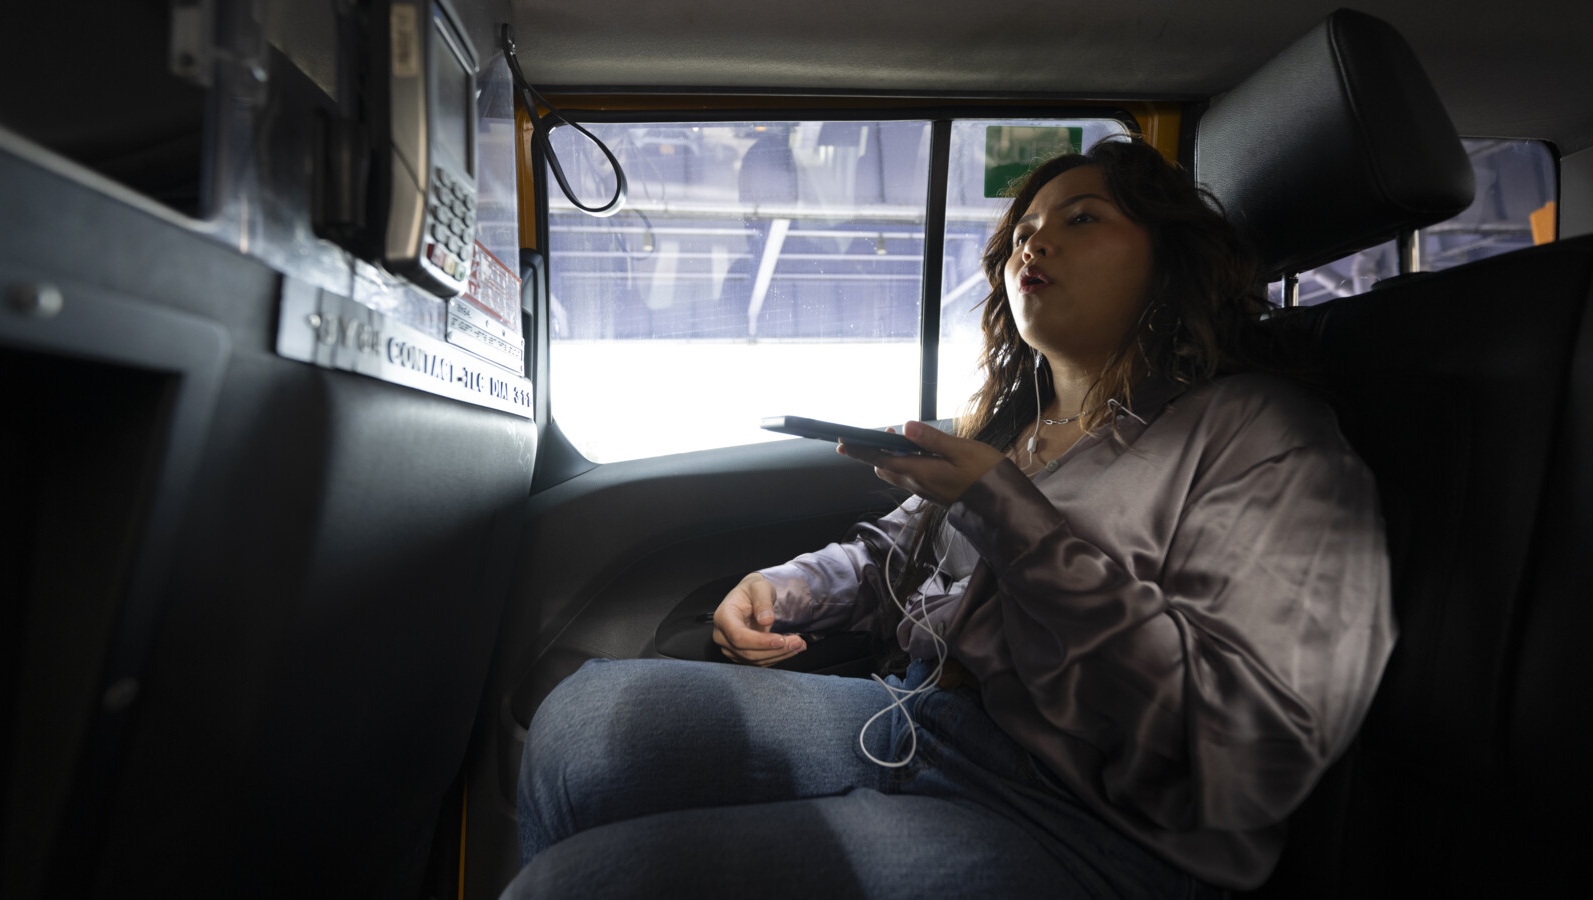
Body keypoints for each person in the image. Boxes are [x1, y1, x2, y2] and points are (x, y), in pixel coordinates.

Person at [503, 136, 1394, 898]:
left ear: (1170, 260)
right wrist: (786, 587)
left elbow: (1248, 747)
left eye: (1081, 218)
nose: (1032, 243)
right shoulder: (1021, 431)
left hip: (1096, 828)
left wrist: (1008, 513)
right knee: (583, 722)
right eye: (1023, 231)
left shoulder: (1261, 433)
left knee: (575, 887)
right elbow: (894, 551)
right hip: (929, 723)